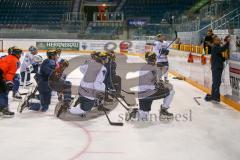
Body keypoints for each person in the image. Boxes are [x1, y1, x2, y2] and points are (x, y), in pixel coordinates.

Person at [137, 52, 175, 120]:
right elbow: (153, 83)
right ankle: (163, 110)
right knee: (171, 91)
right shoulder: (153, 69)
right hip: (149, 93)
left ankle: (135, 113)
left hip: (142, 95)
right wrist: (159, 85)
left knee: (143, 116)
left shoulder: (143, 67)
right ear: (154, 60)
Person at [205, 35, 230, 103]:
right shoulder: (215, 47)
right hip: (216, 67)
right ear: (214, 41)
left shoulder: (217, 47)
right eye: (217, 40)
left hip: (217, 67)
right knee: (216, 82)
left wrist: (224, 58)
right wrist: (228, 42)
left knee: (216, 82)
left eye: (219, 40)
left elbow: (220, 57)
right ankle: (215, 97)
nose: (219, 41)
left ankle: (214, 96)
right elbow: (223, 49)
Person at [0, 47, 22, 116]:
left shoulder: (8, 57)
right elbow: (10, 73)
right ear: (17, 54)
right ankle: (4, 109)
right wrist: (9, 82)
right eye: (20, 53)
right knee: (4, 92)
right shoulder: (15, 60)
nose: (20, 55)